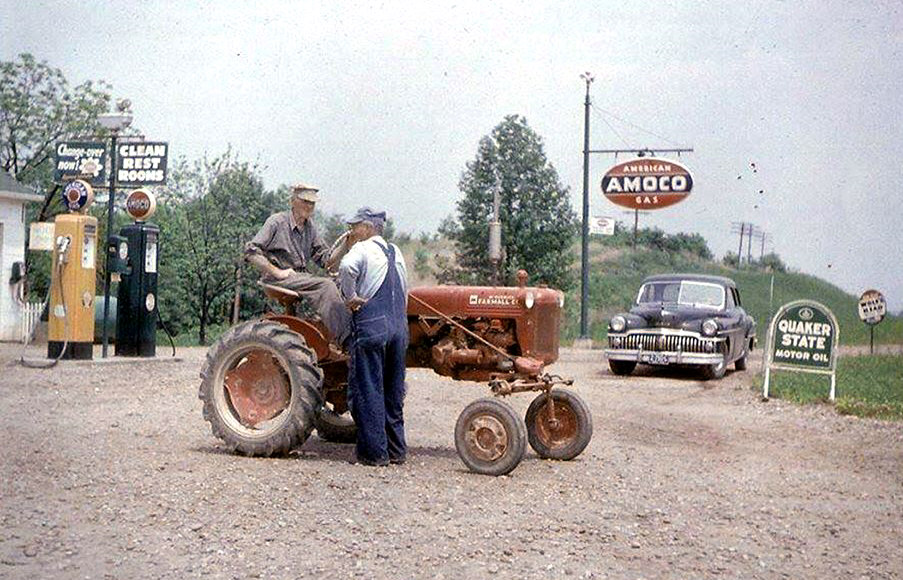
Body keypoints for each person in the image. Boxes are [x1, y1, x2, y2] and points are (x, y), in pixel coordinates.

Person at [337, 207, 409, 466]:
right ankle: (397, 450)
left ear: (368, 228)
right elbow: (404, 289)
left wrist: (350, 297)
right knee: (393, 391)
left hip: (372, 326)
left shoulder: (363, 248)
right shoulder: (396, 251)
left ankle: (374, 454)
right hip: (399, 328)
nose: (353, 231)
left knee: (368, 389)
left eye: (356, 226)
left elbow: (345, 267)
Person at [244, 182, 350, 346]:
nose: (309, 206)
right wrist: (277, 272)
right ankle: (348, 340)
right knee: (326, 286)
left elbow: (326, 260)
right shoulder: (277, 222)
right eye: (305, 201)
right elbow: (251, 252)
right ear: (293, 201)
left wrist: (346, 243)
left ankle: (336, 334)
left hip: (300, 277)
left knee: (342, 283)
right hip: (280, 278)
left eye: (312, 203)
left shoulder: (309, 227)